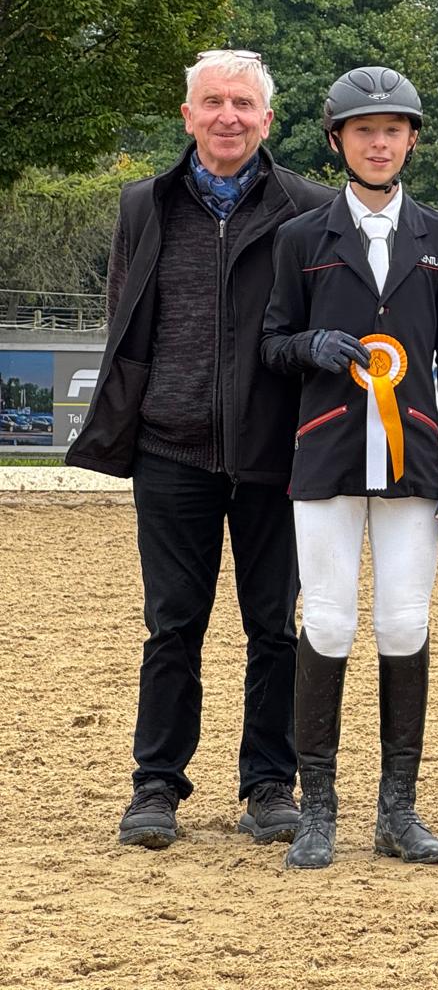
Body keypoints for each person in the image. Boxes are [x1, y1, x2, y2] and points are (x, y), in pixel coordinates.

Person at [67, 49, 336, 849]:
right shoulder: (143, 205)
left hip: (274, 454)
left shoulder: (309, 208)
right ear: (188, 115)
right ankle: (156, 785)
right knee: (172, 626)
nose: (228, 116)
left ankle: (269, 784)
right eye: (213, 102)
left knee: (274, 629)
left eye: (243, 104)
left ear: (267, 119)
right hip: (170, 450)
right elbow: (126, 315)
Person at [260, 66, 438, 869]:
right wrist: (308, 346)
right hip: (326, 451)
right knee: (326, 622)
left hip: (411, 454)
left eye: (392, 131)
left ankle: (398, 810)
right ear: (337, 142)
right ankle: (318, 807)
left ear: (411, 140)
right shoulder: (302, 238)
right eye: (364, 131)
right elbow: (271, 343)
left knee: (404, 623)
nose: (379, 143)